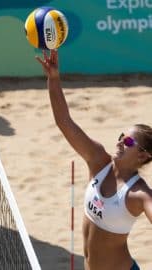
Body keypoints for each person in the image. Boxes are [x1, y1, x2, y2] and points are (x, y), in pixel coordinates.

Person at [36, 49, 152, 270]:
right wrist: (53, 79)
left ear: (143, 155)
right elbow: (64, 122)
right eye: (120, 137)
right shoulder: (99, 160)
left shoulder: (138, 194)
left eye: (128, 142)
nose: (119, 143)